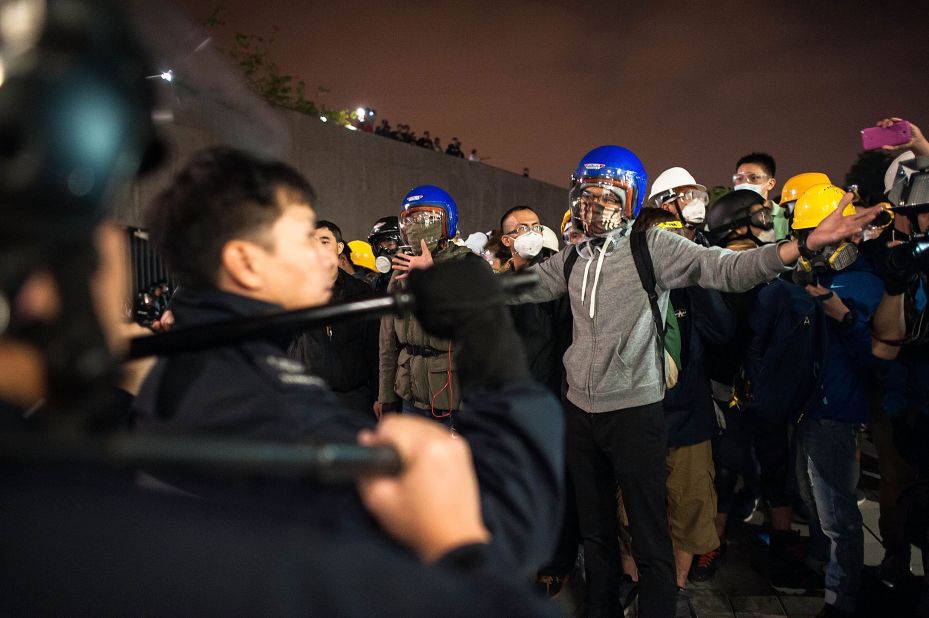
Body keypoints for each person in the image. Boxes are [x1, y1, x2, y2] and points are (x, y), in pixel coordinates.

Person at [507, 145, 880, 618]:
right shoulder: (574, 257)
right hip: (580, 413)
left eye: (604, 196)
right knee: (597, 533)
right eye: (584, 196)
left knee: (649, 536)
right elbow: (521, 287)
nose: (591, 207)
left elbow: (726, 268)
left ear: (631, 198)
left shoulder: (654, 246)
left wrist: (799, 246)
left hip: (635, 414)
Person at [628, 207, 734, 617]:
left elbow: (722, 331)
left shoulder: (692, 285)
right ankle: (636, 586)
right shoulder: (626, 282)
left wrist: (695, 269)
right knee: (630, 511)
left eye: (675, 238)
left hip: (687, 421)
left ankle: (676, 588)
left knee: (689, 507)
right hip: (635, 420)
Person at [789, 184, 885, 617]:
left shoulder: (864, 282)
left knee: (838, 514)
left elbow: (878, 356)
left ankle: (841, 597)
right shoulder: (816, 277)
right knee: (812, 501)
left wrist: (842, 315)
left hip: (837, 411)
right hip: (809, 408)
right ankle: (819, 569)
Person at [375, 185, 479, 427]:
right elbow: (387, 340)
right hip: (410, 396)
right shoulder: (401, 268)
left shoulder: (470, 265)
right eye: (410, 219)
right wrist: (386, 396)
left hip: (454, 400)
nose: (417, 225)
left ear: (447, 221)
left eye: (428, 218)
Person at [289, 223, 379, 421]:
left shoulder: (361, 291)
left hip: (355, 399)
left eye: (324, 241)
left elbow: (374, 347)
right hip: (308, 401)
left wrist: (379, 395)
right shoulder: (293, 292)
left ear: (339, 248)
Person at [646, 166, 710, 243]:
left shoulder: (706, 241)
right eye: (688, 196)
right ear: (666, 207)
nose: (697, 201)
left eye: (698, 195)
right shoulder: (654, 244)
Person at [733, 152, 786, 241]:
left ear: (770, 184)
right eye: (739, 178)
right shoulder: (721, 218)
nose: (745, 183)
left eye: (753, 178)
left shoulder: (786, 218)